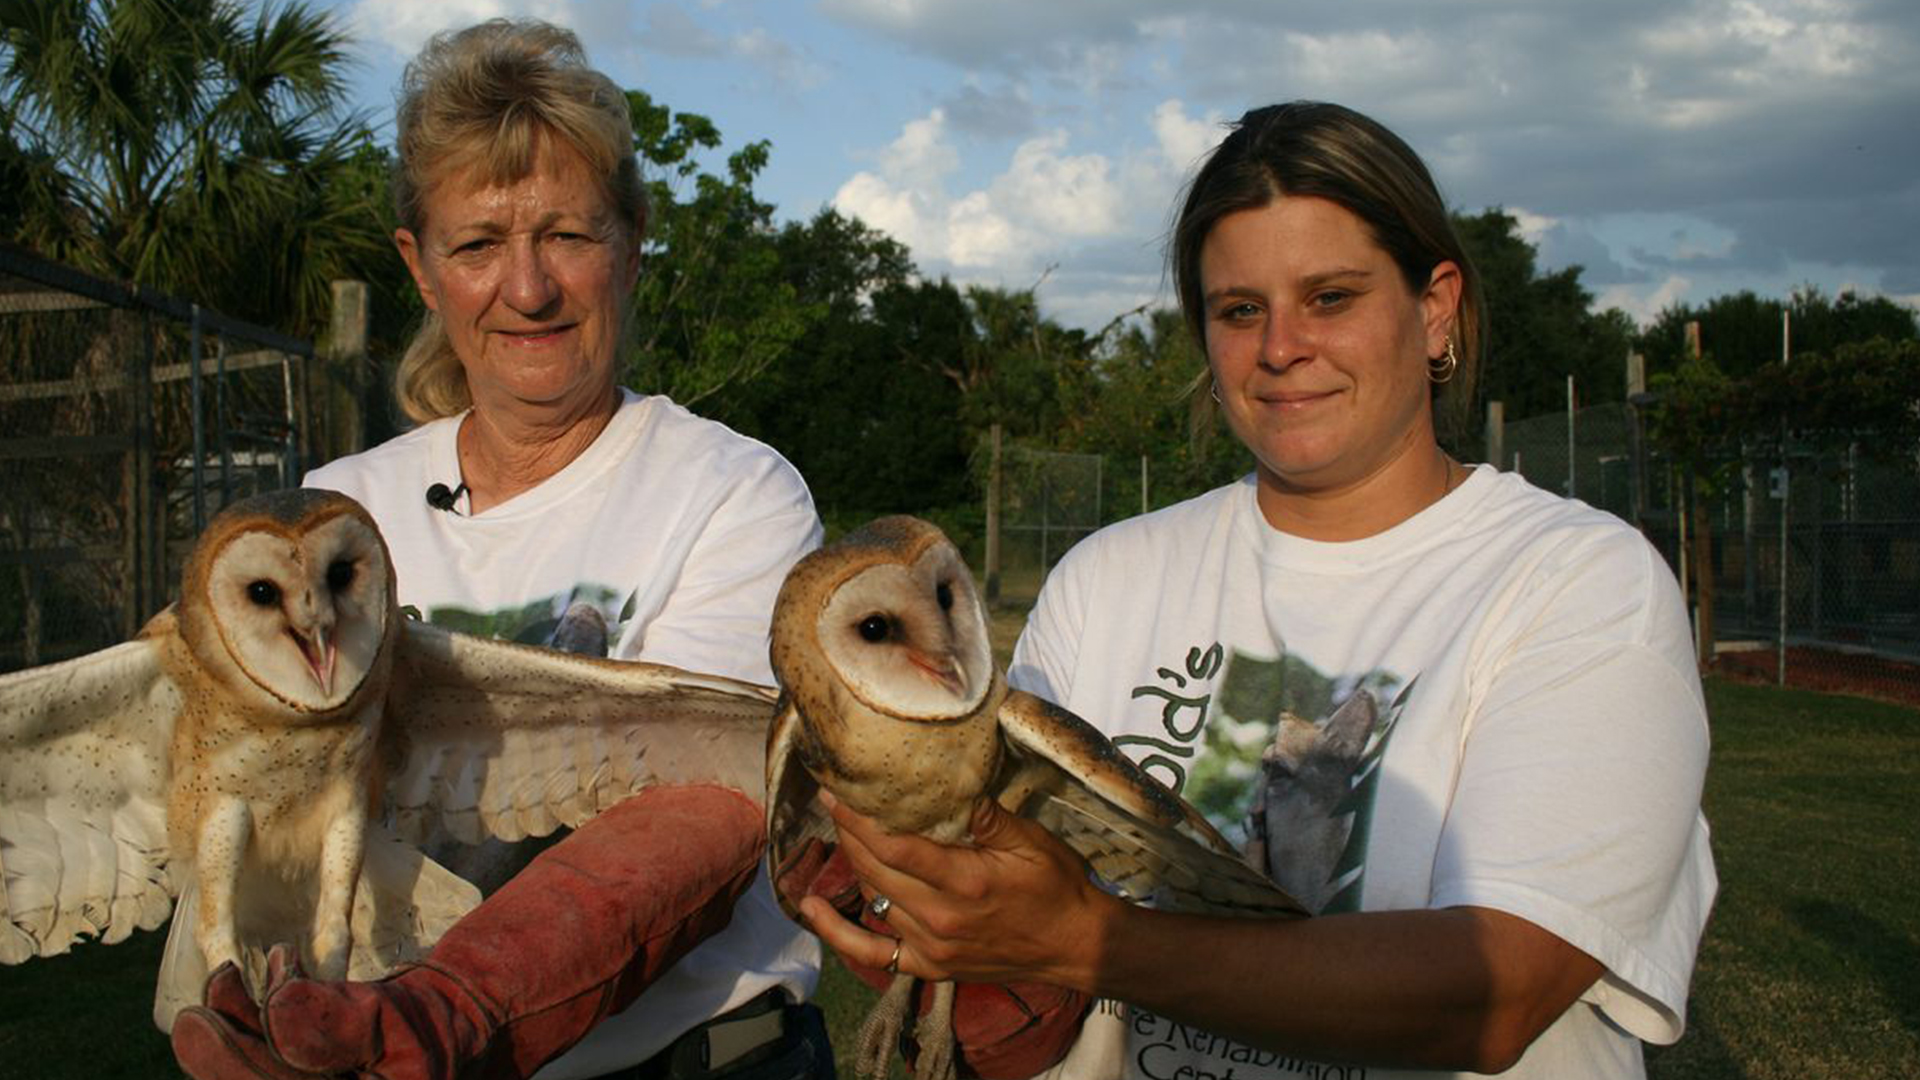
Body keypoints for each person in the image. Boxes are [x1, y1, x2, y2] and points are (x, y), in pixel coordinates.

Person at [796, 101, 1716, 1080]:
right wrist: (928, 907)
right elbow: (1005, 900)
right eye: (1241, 310)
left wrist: (1081, 940)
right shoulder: (1107, 578)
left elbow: (1492, 996)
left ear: (1435, 305)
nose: (1281, 346)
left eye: (1330, 298)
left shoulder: (1578, 583)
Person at [169, 18, 832, 1080]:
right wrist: (269, 999)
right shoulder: (335, 518)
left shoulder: (732, 492)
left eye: (567, 234)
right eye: (478, 245)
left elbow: (708, 811)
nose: (527, 289)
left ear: (632, 241)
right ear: (421, 269)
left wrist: (450, 1009)